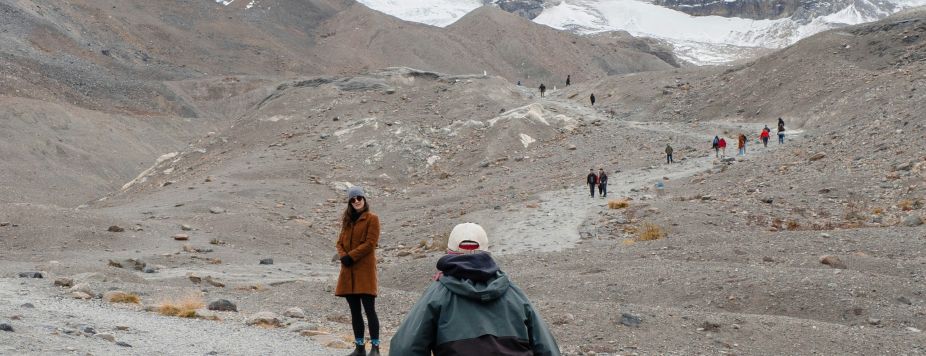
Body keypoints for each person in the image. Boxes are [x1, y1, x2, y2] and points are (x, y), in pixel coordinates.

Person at [389, 223, 561, 356]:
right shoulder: (514, 294)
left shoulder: (437, 294)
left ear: (449, 252)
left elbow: (404, 348)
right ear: (487, 253)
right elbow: (547, 349)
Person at [336, 186, 382, 356]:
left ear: (364, 199)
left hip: (365, 272)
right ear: (350, 202)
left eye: (359, 198)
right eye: (353, 199)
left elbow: (370, 243)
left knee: (370, 310)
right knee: (355, 312)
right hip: (348, 273)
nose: (356, 201)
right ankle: (359, 347)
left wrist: (351, 256)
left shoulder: (372, 218)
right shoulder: (347, 221)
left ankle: (375, 348)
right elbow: (339, 243)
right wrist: (343, 256)